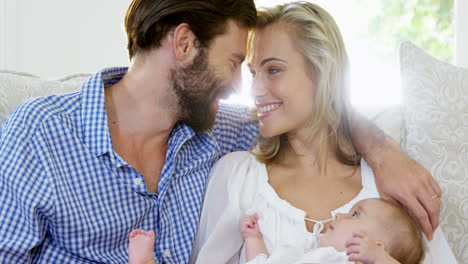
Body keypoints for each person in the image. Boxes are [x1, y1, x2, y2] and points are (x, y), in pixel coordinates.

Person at [0, 0, 440, 263]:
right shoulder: (39, 134)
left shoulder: (217, 133)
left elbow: (309, 114)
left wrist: (382, 150)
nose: (240, 88)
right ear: (185, 44)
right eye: (235, 65)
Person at [190, 2, 455, 264]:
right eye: (253, 73)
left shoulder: (391, 186)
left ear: (322, 72)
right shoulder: (237, 177)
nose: (255, 90)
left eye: (274, 70)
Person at [239, 198, 423, 264]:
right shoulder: (303, 252)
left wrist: (379, 258)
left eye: (356, 215)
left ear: (377, 247)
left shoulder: (353, 261)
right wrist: (253, 239)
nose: (339, 215)